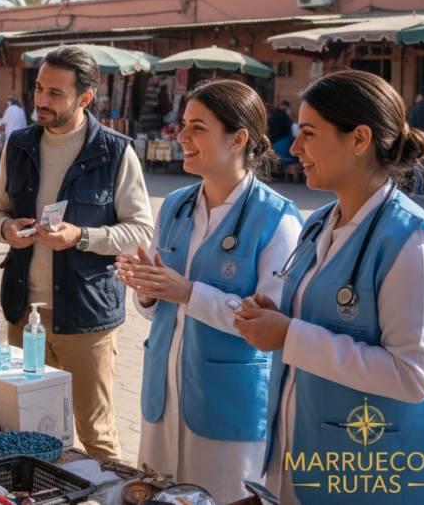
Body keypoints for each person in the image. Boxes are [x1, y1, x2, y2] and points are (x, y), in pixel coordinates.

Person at [236, 70, 424, 504]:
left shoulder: (414, 242)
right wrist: (279, 316)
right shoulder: (321, 222)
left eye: (309, 133)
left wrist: (289, 335)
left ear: (359, 139)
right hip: (312, 460)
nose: (294, 147)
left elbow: (412, 377)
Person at [114, 80, 303, 503]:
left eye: (197, 127)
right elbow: (155, 307)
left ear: (238, 139)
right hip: (163, 392)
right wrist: (146, 290)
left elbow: (270, 323)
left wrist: (188, 293)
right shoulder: (176, 205)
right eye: (183, 125)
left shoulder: (278, 220)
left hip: (227, 405)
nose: (180, 137)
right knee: (158, 493)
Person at [0, 45, 154, 460]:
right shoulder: (19, 144)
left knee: (95, 434)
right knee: (22, 425)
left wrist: (81, 236)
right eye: (39, 89)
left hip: (86, 317)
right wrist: (6, 229)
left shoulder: (115, 152)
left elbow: (140, 232)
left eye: (54, 94)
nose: (41, 101)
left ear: (85, 98)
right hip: (24, 312)